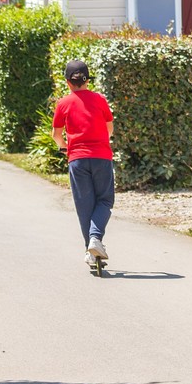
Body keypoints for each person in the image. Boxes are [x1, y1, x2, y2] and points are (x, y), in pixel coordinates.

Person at [52, 60, 115, 267]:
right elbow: (109, 129)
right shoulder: (100, 99)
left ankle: (91, 248)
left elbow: (56, 134)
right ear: (87, 80)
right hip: (101, 157)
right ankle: (95, 240)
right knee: (104, 200)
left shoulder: (63, 103)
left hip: (77, 159)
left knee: (84, 206)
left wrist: (63, 147)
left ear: (68, 82)